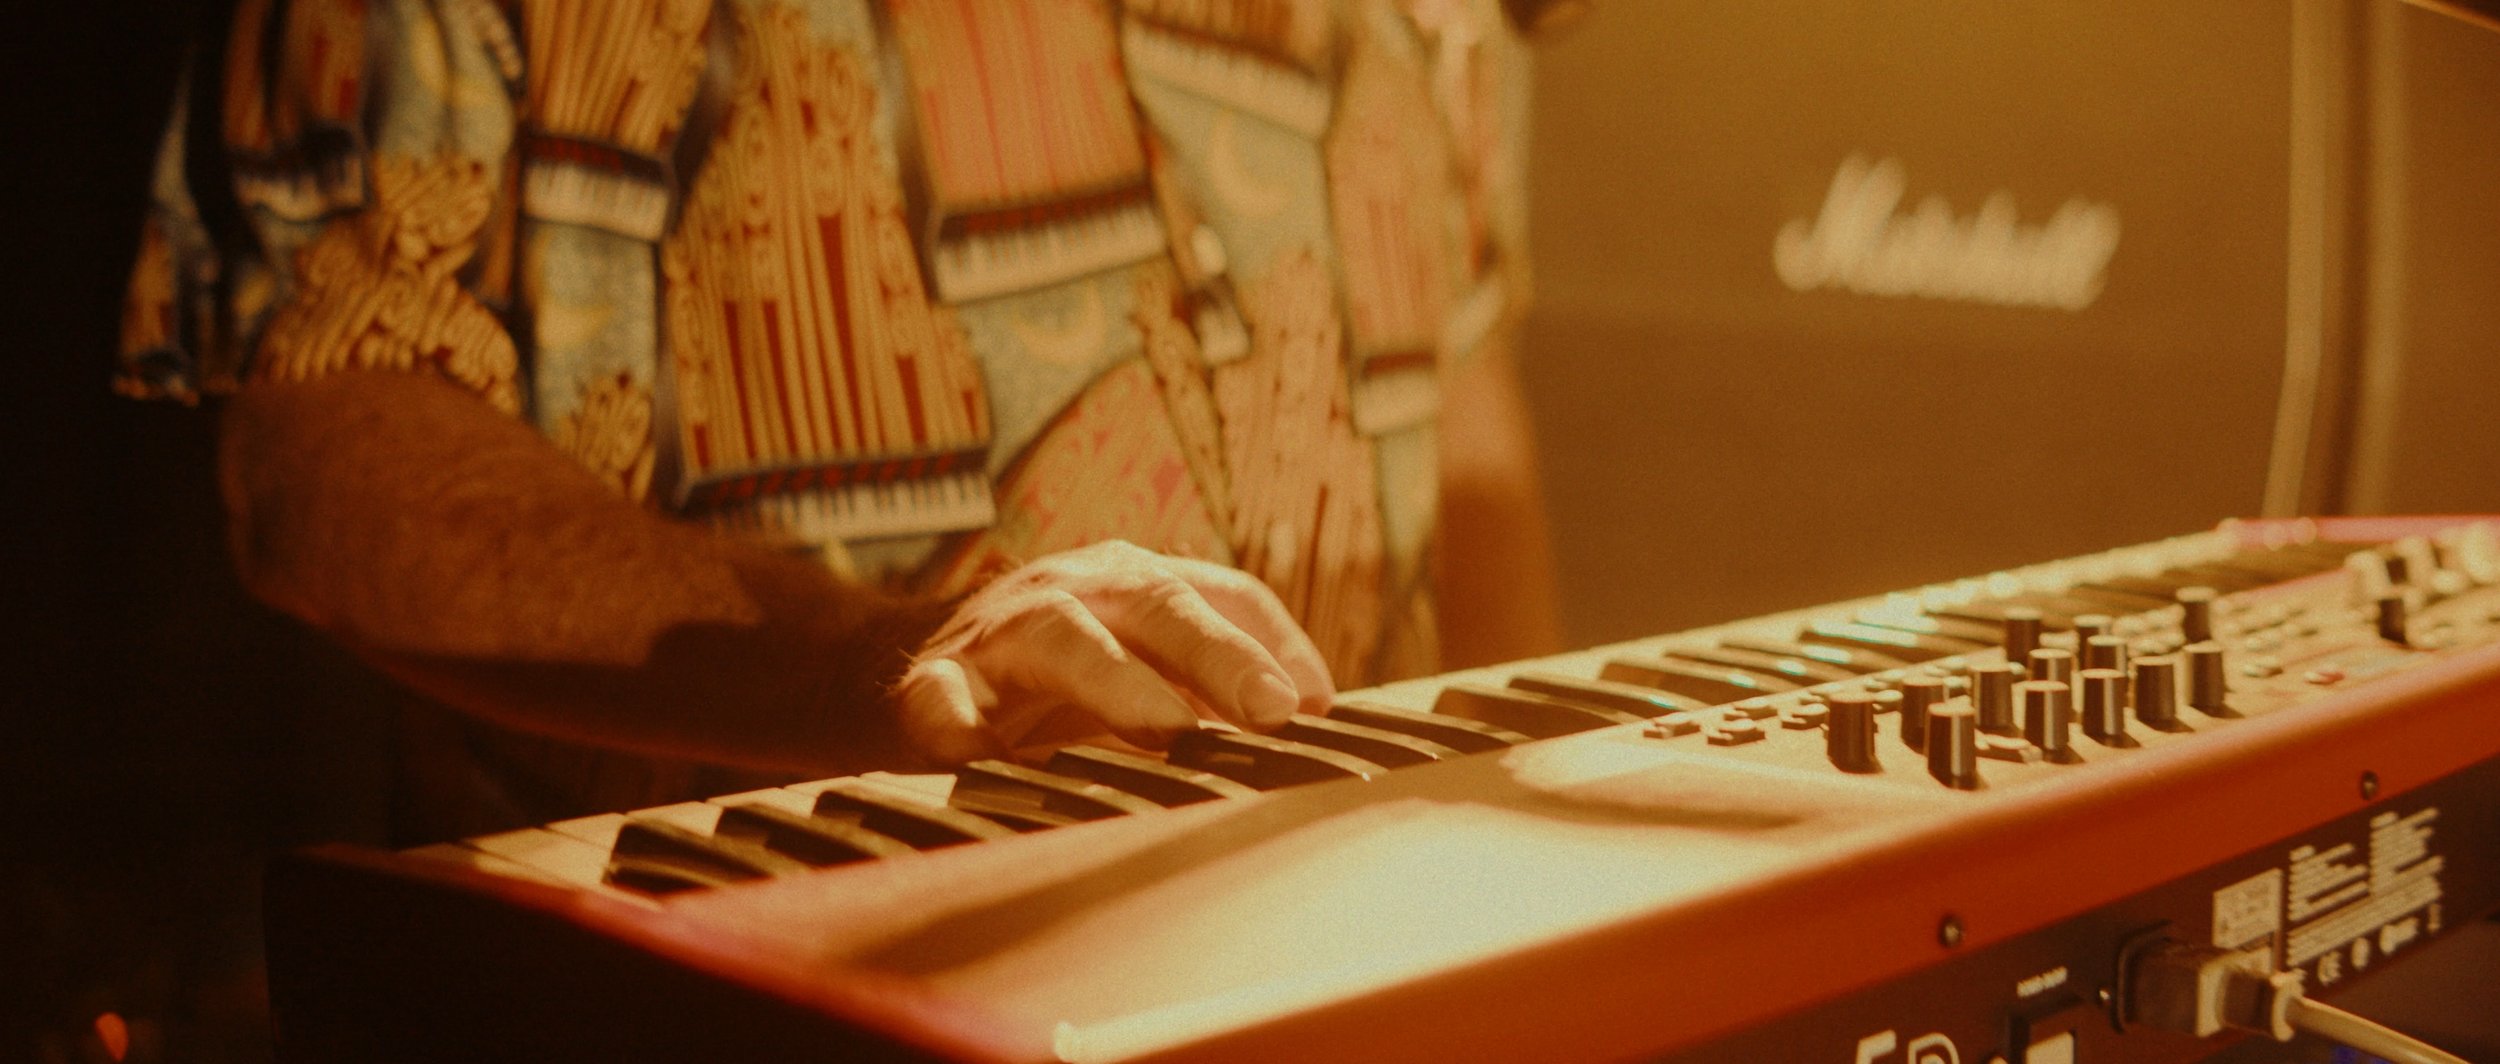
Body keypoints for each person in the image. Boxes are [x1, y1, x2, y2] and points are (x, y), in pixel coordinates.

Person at [121, 0, 1564, 840]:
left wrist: (1526, 860)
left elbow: (1464, 413)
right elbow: (313, 445)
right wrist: (869, 670)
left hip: (1336, 960)